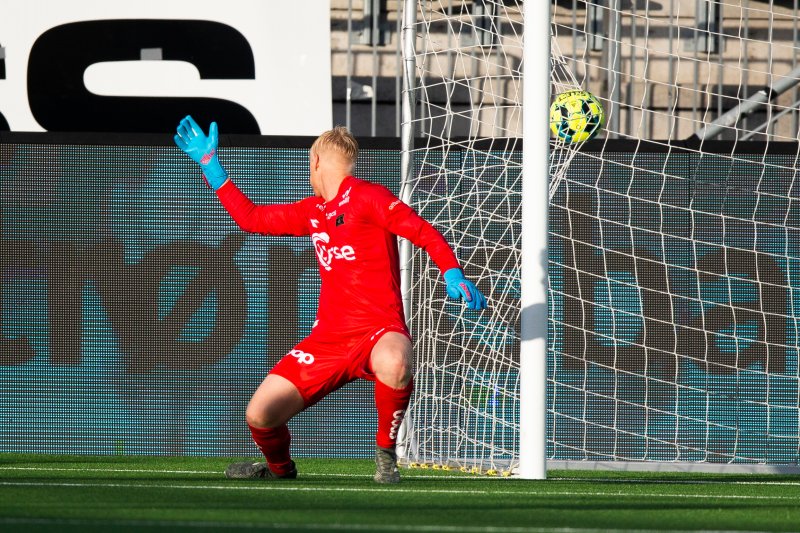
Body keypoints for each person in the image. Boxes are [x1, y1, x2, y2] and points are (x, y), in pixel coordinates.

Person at [174, 116, 487, 483]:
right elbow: (251, 219)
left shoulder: (369, 196)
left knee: (396, 362)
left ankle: (386, 457)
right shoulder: (313, 211)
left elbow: (422, 232)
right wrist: (211, 166)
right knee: (259, 415)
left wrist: (452, 271)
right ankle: (280, 471)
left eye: (309, 164)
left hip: (378, 329)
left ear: (317, 162)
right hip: (329, 340)